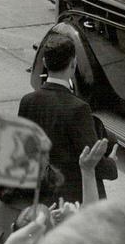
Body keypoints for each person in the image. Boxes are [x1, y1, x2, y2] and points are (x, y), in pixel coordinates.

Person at [18, 33, 116, 203]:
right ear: (73, 64)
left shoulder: (27, 101)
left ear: (45, 63)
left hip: (39, 196)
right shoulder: (78, 108)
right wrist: (111, 165)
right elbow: (91, 160)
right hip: (71, 198)